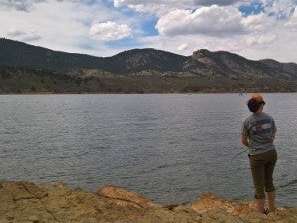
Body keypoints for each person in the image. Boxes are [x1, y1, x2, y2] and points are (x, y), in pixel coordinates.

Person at [241, 94, 277, 214]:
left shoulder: (247, 122)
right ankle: (272, 209)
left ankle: (261, 213)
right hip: (271, 153)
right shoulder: (270, 118)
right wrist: (267, 142)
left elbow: (244, 141)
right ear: (261, 105)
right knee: (269, 182)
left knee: (258, 186)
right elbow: (273, 134)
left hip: (257, 156)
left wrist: (252, 146)